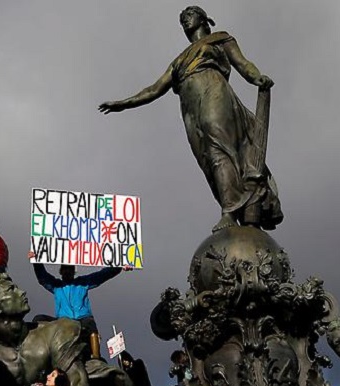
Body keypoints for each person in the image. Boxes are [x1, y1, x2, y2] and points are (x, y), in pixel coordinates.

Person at [99, 6, 283, 232]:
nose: (184, 18)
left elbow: (242, 63)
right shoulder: (179, 61)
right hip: (189, 110)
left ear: (204, 20)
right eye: (182, 18)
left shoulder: (220, 38)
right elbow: (154, 89)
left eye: (190, 14)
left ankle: (229, 211)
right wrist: (123, 103)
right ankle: (235, 206)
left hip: (215, 95)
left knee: (218, 151)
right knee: (207, 159)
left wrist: (257, 77)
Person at [29, 251, 129, 357]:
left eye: (70, 269)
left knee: (90, 323)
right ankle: (39, 354)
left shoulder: (82, 282)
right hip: (63, 321)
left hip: (82, 319)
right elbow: (43, 277)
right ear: (61, 271)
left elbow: (102, 275)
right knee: (38, 319)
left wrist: (118, 267)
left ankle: (96, 357)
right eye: (65, 269)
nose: (67, 272)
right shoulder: (56, 285)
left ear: (74, 272)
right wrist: (36, 262)